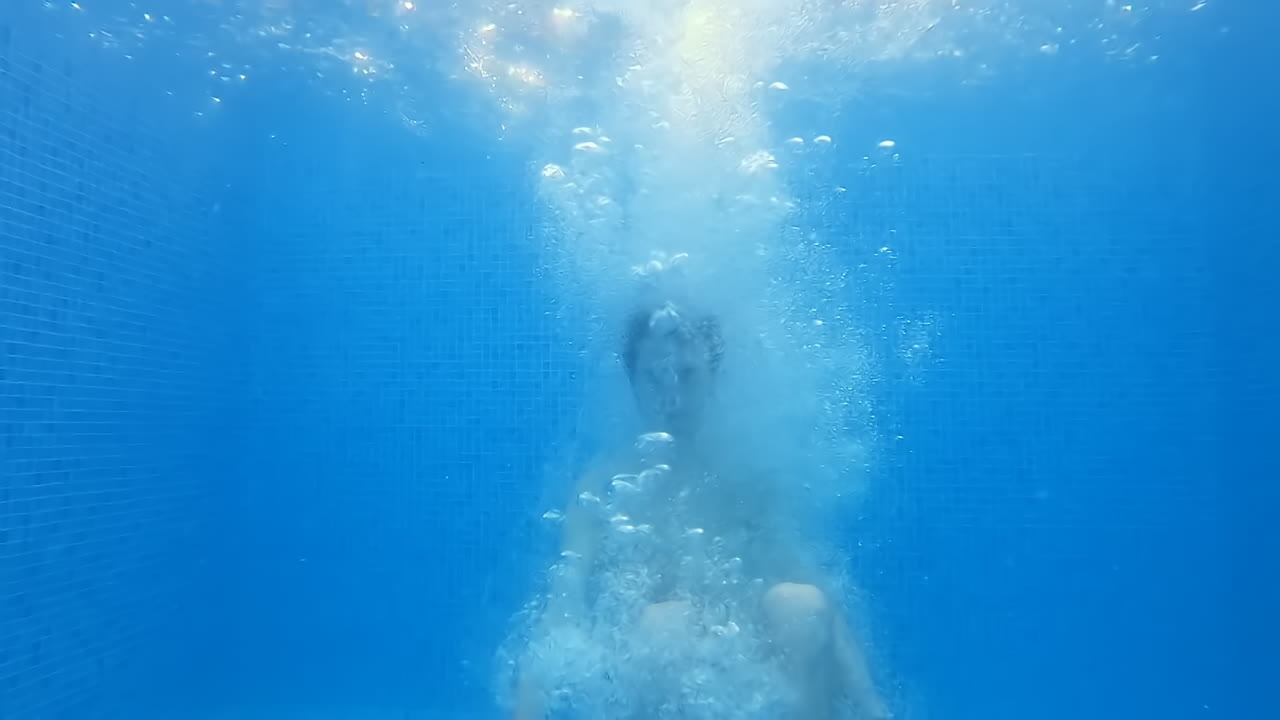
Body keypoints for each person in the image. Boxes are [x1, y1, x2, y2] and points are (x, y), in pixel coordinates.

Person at [511, 300, 890, 720]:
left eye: (687, 375)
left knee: (799, 605)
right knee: (665, 624)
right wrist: (527, 707)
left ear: (714, 376)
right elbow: (563, 605)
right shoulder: (602, 488)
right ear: (631, 381)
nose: (670, 395)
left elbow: (821, 606)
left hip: (745, 678)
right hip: (647, 671)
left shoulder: (747, 483)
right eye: (653, 378)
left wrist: (873, 706)